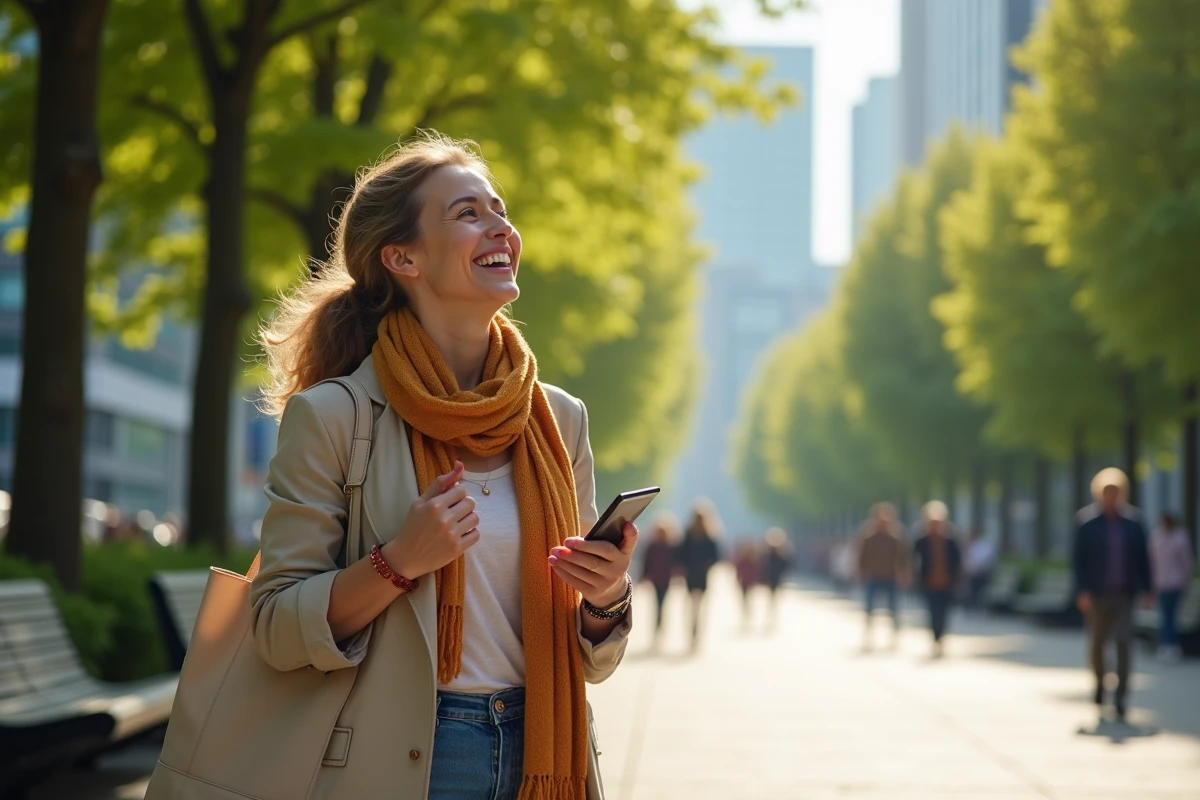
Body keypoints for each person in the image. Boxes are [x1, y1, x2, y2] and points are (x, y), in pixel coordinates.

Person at [250, 135, 634, 799]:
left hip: (544, 743)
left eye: (500, 209)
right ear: (402, 257)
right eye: (468, 214)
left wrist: (603, 598)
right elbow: (276, 627)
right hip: (408, 754)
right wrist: (396, 562)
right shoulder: (336, 417)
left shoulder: (558, 418)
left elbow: (588, 656)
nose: (501, 228)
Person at [1072, 468, 1151, 721]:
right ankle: (1099, 683)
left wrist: (1147, 589)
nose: (1111, 497)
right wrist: (1081, 590)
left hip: (1124, 593)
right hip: (1096, 594)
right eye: (1107, 492)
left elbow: (1143, 559)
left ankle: (1121, 696)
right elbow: (1078, 561)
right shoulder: (1086, 523)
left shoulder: (1134, 523)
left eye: (1115, 492)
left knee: (1124, 642)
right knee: (1097, 644)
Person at [911, 501, 961, 658]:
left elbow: (958, 561)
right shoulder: (922, 540)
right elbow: (912, 557)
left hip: (947, 582)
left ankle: (941, 638)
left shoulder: (950, 540)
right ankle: (935, 639)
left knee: (944, 613)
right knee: (933, 612)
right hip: (929, 582)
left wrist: (957, 578)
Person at [857, 503, 907, 650]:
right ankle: (868, 636)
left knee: (893, 609)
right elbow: (862, 556)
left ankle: (894, 637)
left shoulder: (895, 538)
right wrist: (861, 572)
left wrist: (904, 572)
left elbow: (902, 557)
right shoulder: (869, 537)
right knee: (869, 608)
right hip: (873, 576)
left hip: (890, 576)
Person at [1149, 511, 1194, 663]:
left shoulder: (1180, 538)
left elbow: (1187, 562)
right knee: (1165, 616)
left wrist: (1185, 580)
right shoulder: (1157, 537)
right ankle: (1167, 644)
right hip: (1161, 584)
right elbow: (1152, 562)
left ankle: (1170, 645)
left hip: (1175, 583)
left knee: (1170, 616)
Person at [678, 500, 721, 650]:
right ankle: (692, 631)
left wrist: (707, 565)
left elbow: (716, 557)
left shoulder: (709, 536)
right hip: (691, 575)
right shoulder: (688, 535)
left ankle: (696, 632)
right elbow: (680, 555)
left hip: (702, 575)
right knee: (693, 605)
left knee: (698, 605)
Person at [639, 513, 680, 648]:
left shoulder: (672, 546)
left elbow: (675, 563)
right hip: (656, 580)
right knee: (657, 605)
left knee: (662, 605)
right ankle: (657, 630)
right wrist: (644, 577)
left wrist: (677, 575)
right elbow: (646, 563)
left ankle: (660, 630)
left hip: (666, 580)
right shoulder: (652, 546)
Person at [760, 527, 793, 630]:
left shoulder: (780, 553)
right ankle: (772, 610)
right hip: (772, 577)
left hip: (776, 577)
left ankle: (772, 611)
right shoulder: (769, 553)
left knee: (773, 596)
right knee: (772, 596)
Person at [963, 529, 996, 613]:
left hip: (982, 573)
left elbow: (986, 559)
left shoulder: (984, 545)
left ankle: (979, 608)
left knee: (980, 592)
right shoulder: (971, 545)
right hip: (972, 573)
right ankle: (972, 608)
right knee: (972, 591)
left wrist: (978, 567)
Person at [732, 539, 760, 629]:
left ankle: (748, 612)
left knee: (749, 597)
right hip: (744, 582)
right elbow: (738, 570)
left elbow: (756, 571)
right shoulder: (742, 560)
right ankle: (746, 612)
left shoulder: (753, 560)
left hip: (750, 582)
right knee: (744, 597)